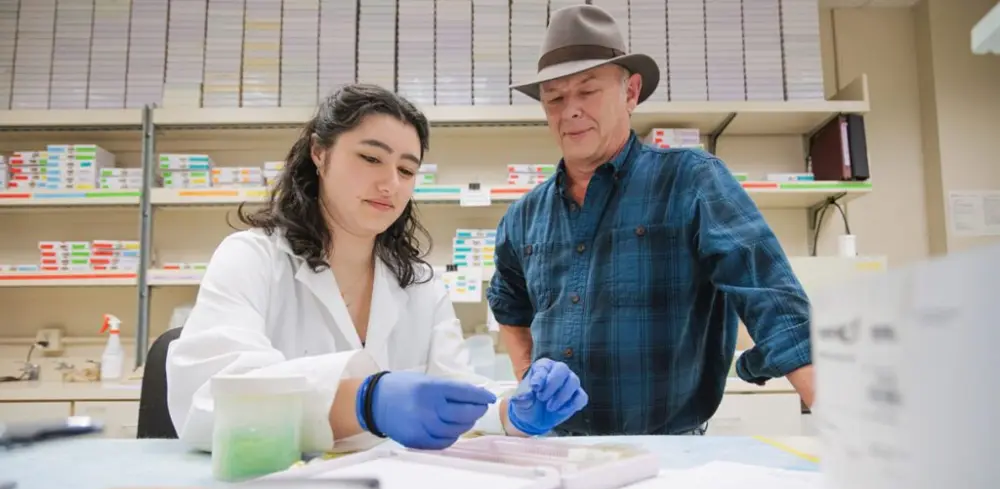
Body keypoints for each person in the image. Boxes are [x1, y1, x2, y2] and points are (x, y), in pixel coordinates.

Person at [166, 84, 588, 453]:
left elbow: (456, 392)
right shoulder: (251, 258)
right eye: (371, 158)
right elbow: (209, 401)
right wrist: (363, 402)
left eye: (406, 169)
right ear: (319, 152)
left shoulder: (419, 284)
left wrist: (512, 410)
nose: (391, 184)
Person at [487, 5, 815, 436]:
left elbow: (770, 296)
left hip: (668, 454)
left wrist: (848, 428)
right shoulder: (524, 215)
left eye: (587, 91)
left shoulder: (691, 180)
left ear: (631, 92)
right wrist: (531, 381)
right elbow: (510, 307)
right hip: (556, 450)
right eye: (555, 98)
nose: (570, 111)